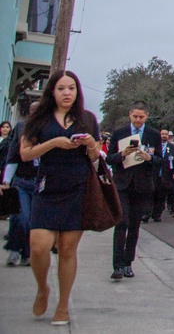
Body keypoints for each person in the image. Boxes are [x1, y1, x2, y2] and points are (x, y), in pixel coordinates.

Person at [19, 70, 102, 325]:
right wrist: (54, 143)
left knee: (67, 249)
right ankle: (43, 287)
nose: (67, 93)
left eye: (72, 88)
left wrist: (90, 143)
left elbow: (95, 156)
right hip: (47, 189)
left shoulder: (87, 119)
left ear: (77, 92)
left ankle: (63, 306)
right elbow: (25, 153)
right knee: (39, 246)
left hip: (77, 189)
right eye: (61, 88)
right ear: (52, 92)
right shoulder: (39, 119)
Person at [106, 101, 161, 280]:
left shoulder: (153, 135)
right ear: (130, 114)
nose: (138, 120)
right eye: (135, 116)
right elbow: (109, 158)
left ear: (146, 116)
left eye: (141, 117)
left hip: (142, 186)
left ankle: (129, 262)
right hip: (122, 184)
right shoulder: (119, 133)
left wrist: (149, 157)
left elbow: (160, 159)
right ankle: (117, 265)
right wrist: (122, 154)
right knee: (121, 223)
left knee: (134, 226)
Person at [2, 104, 37, 267]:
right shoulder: (22, 128)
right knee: (21, 218)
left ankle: (26, 254)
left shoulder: (50, 128)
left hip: (40, 184)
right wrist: (6, 181)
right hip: (21, 181)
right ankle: (15, 250)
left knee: (33, 222)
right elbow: (13, 155)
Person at [150, 128, 174, 222]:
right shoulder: (153, 146)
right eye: (162, 134)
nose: (164, 136)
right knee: (151, 194)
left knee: (161, 196)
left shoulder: (173, 148)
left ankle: (157, 215)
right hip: (153, 174)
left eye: (166, 134)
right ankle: (147, 214)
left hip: (166, 175)